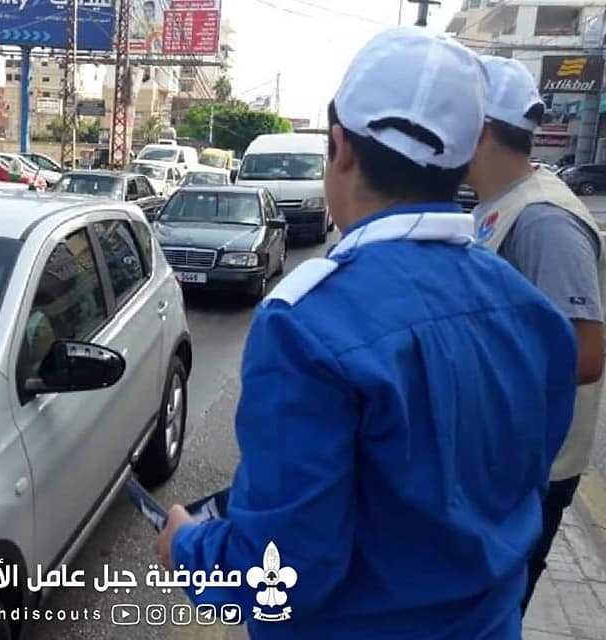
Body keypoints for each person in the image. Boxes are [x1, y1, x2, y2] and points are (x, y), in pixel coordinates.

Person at [154, 28, 578, 639]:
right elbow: (518, 488)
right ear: (465, 160)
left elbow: (282, 575)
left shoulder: (305, 326)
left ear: (339, 147)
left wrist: (188, 548)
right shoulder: (533, 312)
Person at [466, 55, 606, 612]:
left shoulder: (545, 220)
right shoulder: (502, 205)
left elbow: (585, 354)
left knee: (489, 612)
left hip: (532, 471)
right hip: (505, 459)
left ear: (479, 129)